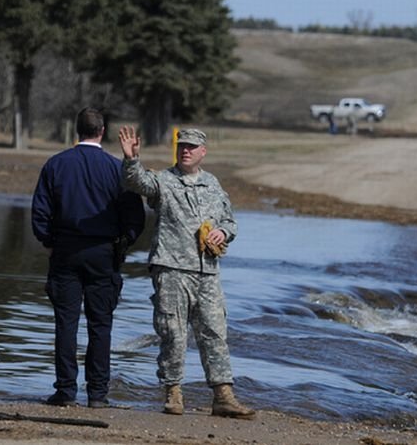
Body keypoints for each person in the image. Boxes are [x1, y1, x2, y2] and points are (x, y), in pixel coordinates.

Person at [118, 125, 255, 420]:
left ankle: (223, 396)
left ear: (203, 152)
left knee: (214, 333)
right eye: (182, 146)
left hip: (207, 272)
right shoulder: (164, 181)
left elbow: (230, 222)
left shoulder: (213, 185)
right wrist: (131, 159)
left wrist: (222, 232)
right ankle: (173, 393)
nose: (186, 150)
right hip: (171, 269)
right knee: (173, 334)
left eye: (192, 146)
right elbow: (136, 182)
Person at [32, 107, 145, 408]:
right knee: (100, 324)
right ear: (102, 131)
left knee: (65, 323)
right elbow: (135, 217)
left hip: (65, 250)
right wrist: (122, 245)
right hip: (103, 252)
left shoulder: (56, 164)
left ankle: (66, 391)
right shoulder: (115, 169)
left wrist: (48, 242)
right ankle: (97, 394)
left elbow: (40, 212)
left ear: (76, 131)